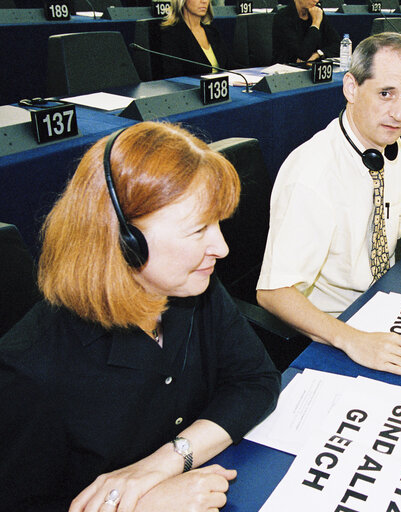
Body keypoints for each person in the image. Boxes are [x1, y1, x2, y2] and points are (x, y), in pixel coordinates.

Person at [0, 122, 280, 511]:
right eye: (198, 229)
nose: (221, 247)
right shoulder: (30, 371)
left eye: (217, 224)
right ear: (123, 240)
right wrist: (138, 506)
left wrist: (161, 465)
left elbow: (256, 380)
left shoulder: (192, 285)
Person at [257, 32, 401, 378]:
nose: (398, 113)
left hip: (387, 302)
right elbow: (273, 292)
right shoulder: (312, 173)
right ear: (351, 88)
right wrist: (352, 340)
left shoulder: (392, 145)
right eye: (385, 94)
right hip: (336, 328)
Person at [160, 0, 234, 78]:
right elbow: (174, 76)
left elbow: (230, 66)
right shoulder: (171, 34)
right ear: (182, 1)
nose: (204, 1)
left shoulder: (213, 32)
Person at [272, 0, 340, 63]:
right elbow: (303, 54)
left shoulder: (317, 12)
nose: (316, 0)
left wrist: (318, 54)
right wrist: (315, 24)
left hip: (312, 67)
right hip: (287, 69)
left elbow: (338, 44)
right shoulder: (283, 17)